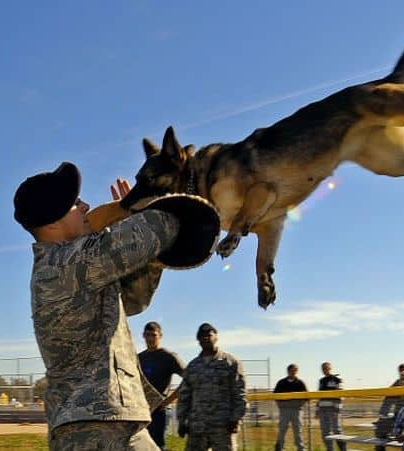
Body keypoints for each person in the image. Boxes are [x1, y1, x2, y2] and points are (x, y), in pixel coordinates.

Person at [14, 163, 216, 450]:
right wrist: (163, 201)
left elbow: (133, 301)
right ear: (52, 223)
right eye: (74, 203)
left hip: (109, 423)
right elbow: (157, 229)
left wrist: (135, 218)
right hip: (95, 427)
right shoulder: (66, 264)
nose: (85, 206)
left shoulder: (77, 266)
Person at [176, 323, 246, 451]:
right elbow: (184, 395)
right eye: (202, 336)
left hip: (223, 426)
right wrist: (182, 421)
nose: (205, 338)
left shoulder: (230, 363)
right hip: (197, 427)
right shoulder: (193, 366)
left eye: (209, 335)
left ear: (216, 337)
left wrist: (235, 419)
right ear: (198, 340)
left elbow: (239, 393)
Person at [137, 321, 186, 450]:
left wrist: (168, 400)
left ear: (160, 335)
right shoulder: (139, 358)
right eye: (147, 335)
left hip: (160, 410)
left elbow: (188, 379)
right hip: (142, 409)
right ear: (143, 336)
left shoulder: (169, 357)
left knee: (158, 445)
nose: (150, 339)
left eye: (153, 335)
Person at [273, 364, 308, 451]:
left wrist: (299, 405)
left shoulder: (300, 382)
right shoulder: (281, 382)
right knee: (282, 430)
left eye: (295, 370)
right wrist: (281, 405)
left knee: (298, 431)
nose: (294, 372)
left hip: (297, 411)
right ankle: (280, 448)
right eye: (292, 370)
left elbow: (307, 396)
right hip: (284, 411)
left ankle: (300, 448)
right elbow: (275, 395)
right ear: (288, 371)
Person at [317, 362, 347, 451]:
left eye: (326, 368)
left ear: (330, 368)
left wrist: (337, 408)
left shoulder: (337, 379)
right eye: (323, 368)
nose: (325, 370)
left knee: (337, 430)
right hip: (323, 409)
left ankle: (343, 449)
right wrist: (317, 409)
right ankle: (329, 449)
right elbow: (319, 395)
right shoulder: (321, 380)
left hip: (333, 409)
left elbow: (341, 394)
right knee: (325, 431)